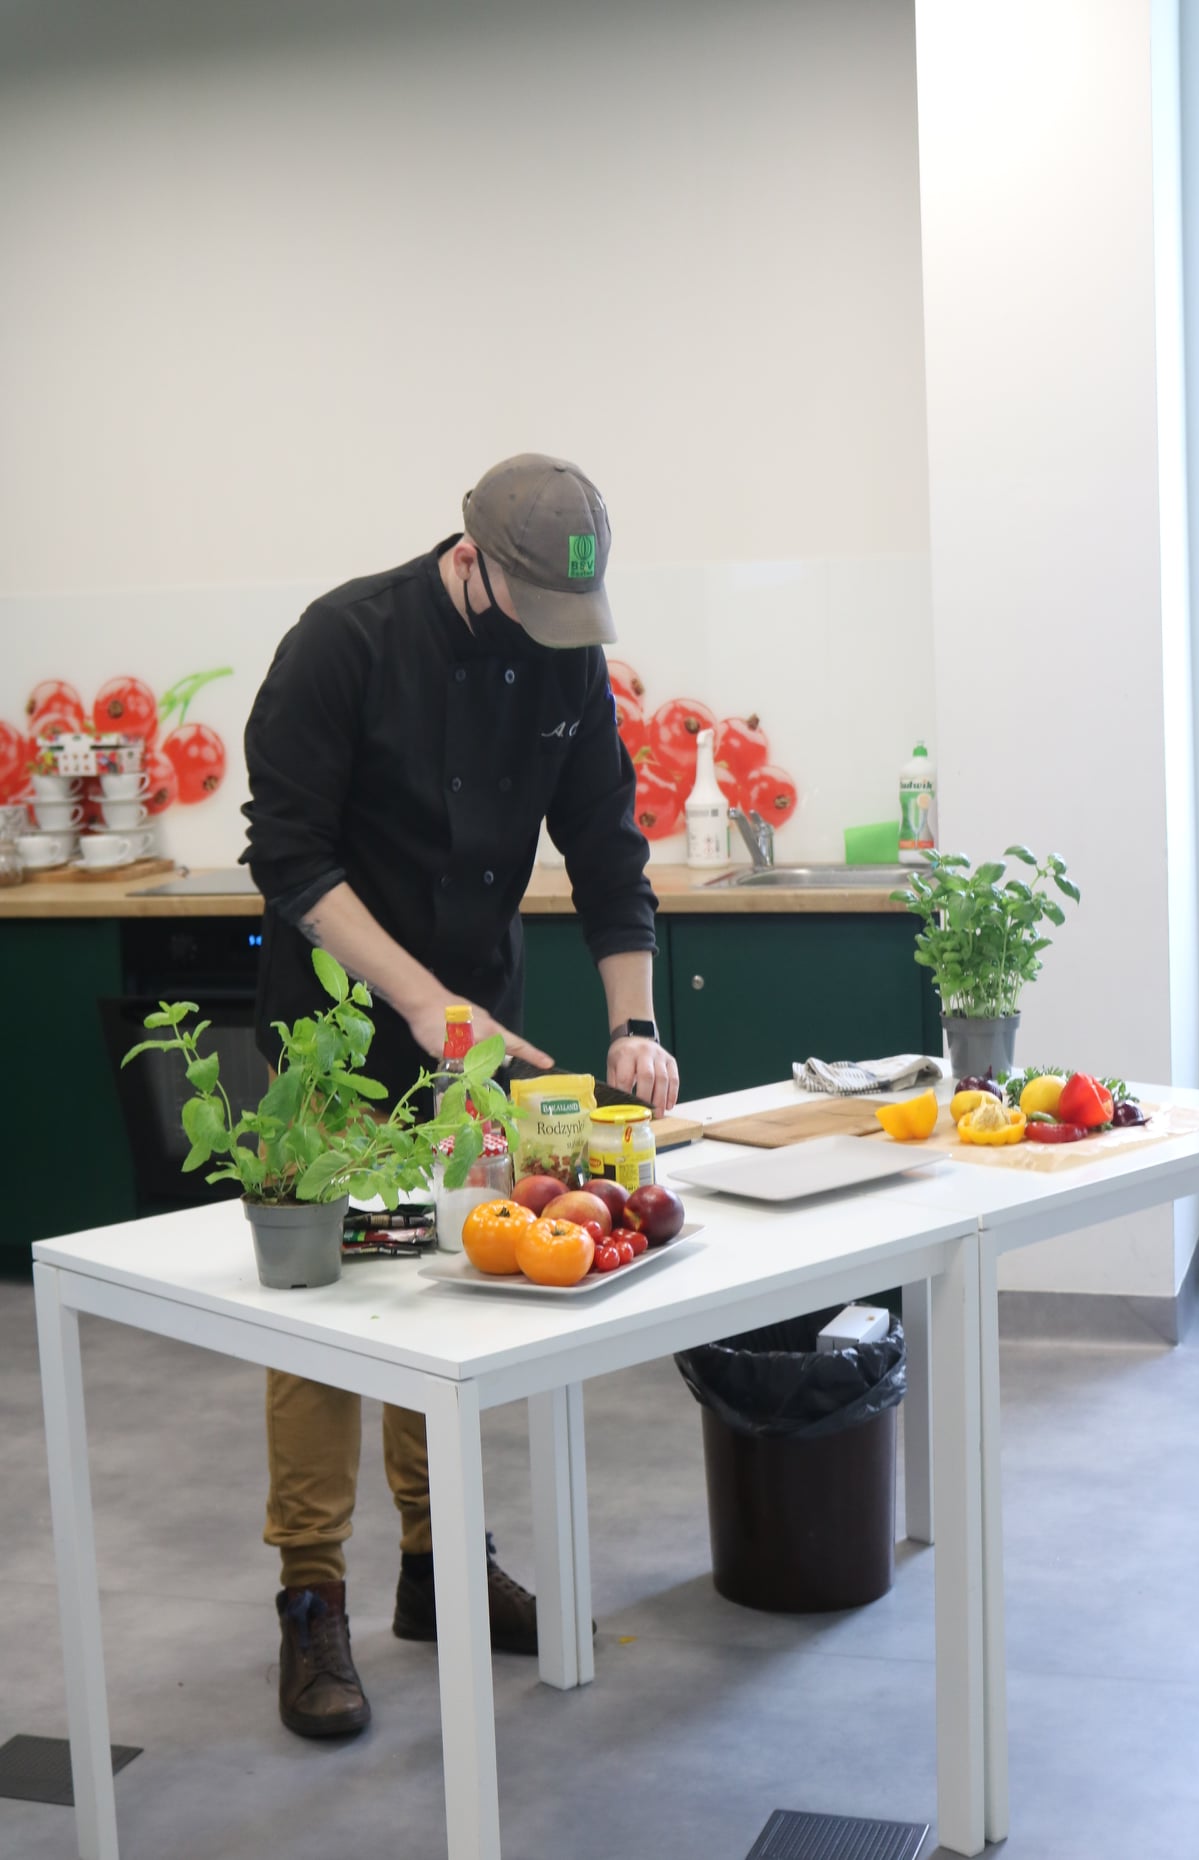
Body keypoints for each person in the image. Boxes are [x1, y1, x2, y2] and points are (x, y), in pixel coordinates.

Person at [241, 452, 680, 1739]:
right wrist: (418, 1003)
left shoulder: (558, 658)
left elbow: (607, 849)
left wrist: (634, 1023)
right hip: (335, 1031)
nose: (557, 640)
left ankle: (440, 1570)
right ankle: (309, 1600)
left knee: (465, 1301)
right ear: (471, 556)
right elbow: (287, 856)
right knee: (322, 1333)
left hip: (478, 1045)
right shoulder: (342, 644)